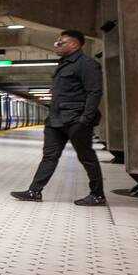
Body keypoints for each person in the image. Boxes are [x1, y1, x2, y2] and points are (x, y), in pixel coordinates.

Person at [11, 30, 104, 206]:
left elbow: (94, 92)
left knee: (86, 157)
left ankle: (97, 195)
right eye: (57, 42)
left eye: (61, 43)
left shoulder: (87, 64)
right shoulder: (64, 64)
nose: (56, 45)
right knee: (49, 156)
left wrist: (85, 119)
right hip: (56, 121)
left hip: (76, 120)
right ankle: (34, 191)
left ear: (74, 45)